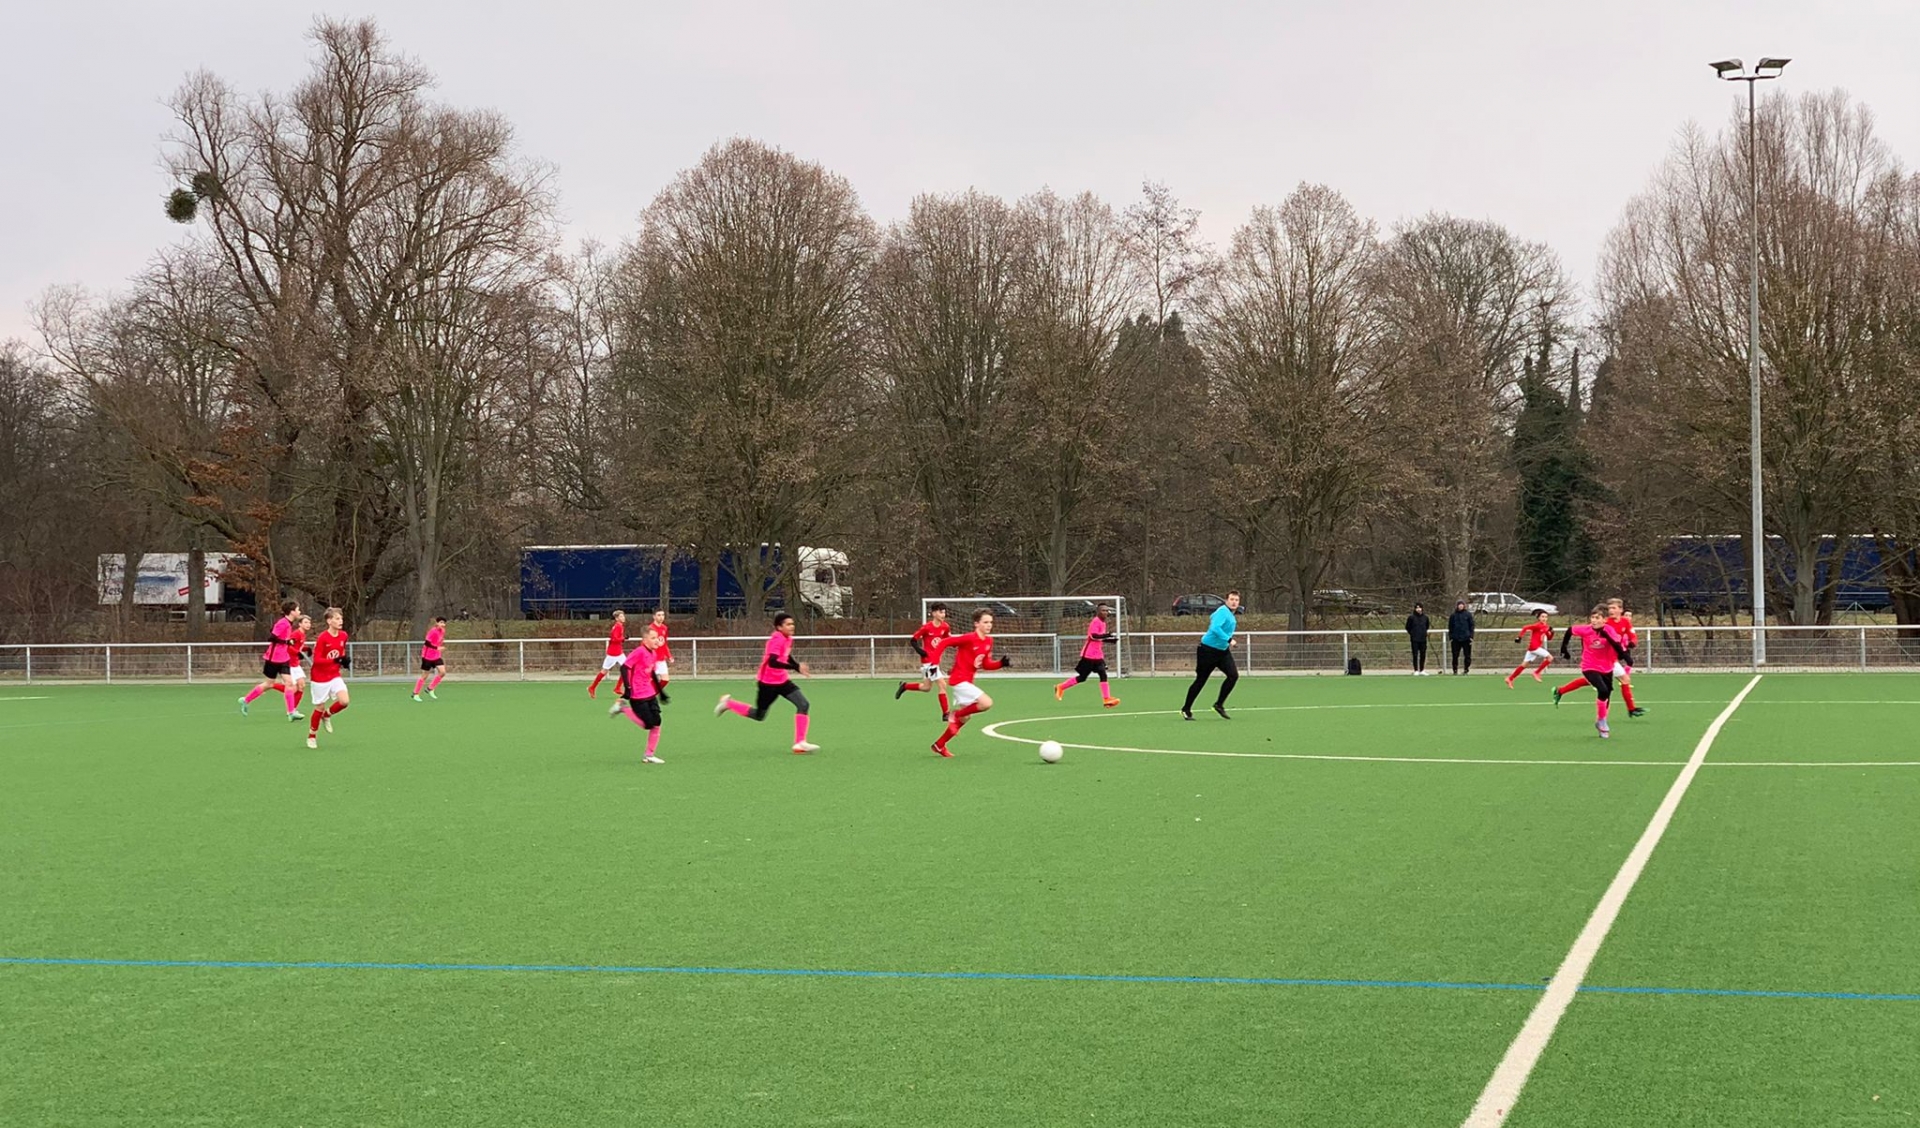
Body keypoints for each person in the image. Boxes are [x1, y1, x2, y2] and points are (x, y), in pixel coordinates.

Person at [716, 612, 818, 753]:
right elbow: (772, 662)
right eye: (788, 624)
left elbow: (786, 655)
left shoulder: (788, 639)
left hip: (782, 681)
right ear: (779, 627)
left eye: (792, 624)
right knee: (759, 715)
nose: (792, 626)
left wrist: (797, 667)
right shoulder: (776, 640)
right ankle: (728, 704)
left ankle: (800, 743)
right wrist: (794, 667)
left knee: (803, 704)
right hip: (767, 684)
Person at [925, 608, 1010, 757]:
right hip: (959, 680)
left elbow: (985, 664)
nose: (989, 625)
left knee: (965, 717)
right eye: (985, 622)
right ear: (976, 623)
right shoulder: (969, 638)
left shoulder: (988, 641)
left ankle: (939, 745)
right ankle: (954, 714)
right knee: (986, 703)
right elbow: (944, 642)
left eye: (990, 622)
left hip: (967, 682)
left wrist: (1000, 664)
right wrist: (934, 663)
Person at [1554, 606, 1630, 738]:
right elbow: (1570, 630)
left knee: (1607, 694)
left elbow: (1617, 645)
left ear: (1604, 620)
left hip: (1607, 667)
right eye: (1592, 617)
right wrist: (1564, 648)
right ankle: (1602, 722)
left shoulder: (1609, 630)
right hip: (1589, 666)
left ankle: (1600, 721)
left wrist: (1625, 656)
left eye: (1597, 618)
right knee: (1603, 690)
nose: (1594, 620)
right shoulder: (1586, 629)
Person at [1181, 590, 1242, 720]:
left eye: (1236, 600)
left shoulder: (1230, 614)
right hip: (1207, 651)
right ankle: (1186, 709)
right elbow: (1215, 628)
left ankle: (1219, 705)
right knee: (1201, 681)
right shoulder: (1222, 611)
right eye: (1231, 599)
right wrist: (1229, 639)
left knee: (1233, 676)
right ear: (1226, 600)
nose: (1234, 602)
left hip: (1222, 652)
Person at [240, 599, 302, 718]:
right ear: (292, 611)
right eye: (298, 609)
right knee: (269, 684)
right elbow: (272, 637)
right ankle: (246, 700)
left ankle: (291, 712)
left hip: (284, 657)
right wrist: (286, 642)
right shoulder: (283, 623)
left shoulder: (289, 623)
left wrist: (288, 642)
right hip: (273, 658)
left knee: (289, 683)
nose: (299, 612)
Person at [614, 625, 667, 764]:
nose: (657, 640)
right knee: (648, 724)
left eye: (657, 637)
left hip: (650, 693)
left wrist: (661, 692)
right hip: (637, 695)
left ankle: (649, 754)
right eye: (653, 638)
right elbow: (624, 667)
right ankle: (623, 708)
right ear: (645, 640)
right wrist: (628, 688)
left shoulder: (653, 654)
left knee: (657, 722)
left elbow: (652, 673)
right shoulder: (639, 652)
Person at [1055, 602, 1120, 708]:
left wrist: (1109, 640)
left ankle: (1107, 699)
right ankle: (1061, 687)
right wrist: (1106, 635)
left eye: (1106, 610)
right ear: (1098, 612)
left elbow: (1099, 638)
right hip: (1089, 654)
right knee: (1082, 677)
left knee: (1103, 674)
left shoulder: (1103, 623)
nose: (1105, 612)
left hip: (1098, 654)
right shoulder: (1095, 622)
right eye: (1103, 610)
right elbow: (1093, 636)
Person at [895, 602, 953, 720]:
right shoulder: (927, 627)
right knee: (942, 685)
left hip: (936, 661)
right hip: (928, 662)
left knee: (926, 687)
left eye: (944, 612)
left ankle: (905, 686)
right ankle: (946, 714)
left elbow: (948, 639)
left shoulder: (945, 627)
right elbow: (913, 640)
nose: (943, 615)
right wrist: (921, 651)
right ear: (934, 613)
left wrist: (959, 644)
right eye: (941, 612)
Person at [305, 608, 352, 749]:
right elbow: (317, 660)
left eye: (341, 618)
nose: (340, 621)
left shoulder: (343, 635)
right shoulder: (323, 638)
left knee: (344, 701)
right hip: (319, 677)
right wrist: (335, 660)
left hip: (334, 675)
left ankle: (327, 715)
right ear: (329, 621)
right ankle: (312, 736)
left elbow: (340, 652)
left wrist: (343, 660)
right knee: (319, 707)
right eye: (337, 619)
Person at [1605, 598, 1646, 718]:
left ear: (1621, 610)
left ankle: (1631, 709)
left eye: (1613, 608)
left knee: (1624, 680)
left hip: (1613, 659)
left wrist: (1632, 642)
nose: (1611, 610)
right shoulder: (1605, 623)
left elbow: (1632, 635)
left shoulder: (1625, 622)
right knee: (1605, 688)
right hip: (1603, 659)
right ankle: (1603, 717)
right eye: (1609, 608)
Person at [1506, 610, 1556, 687]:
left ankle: (1510, 678)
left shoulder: (1546, 627)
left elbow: (1549, 638)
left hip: (1532, 648)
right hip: (1534, 647)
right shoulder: (1537, 625)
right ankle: (1536, 672)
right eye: (1542, 617)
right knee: (1550, 658)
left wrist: (1552, 633)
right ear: (1539, 618)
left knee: (1524, 665)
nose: (1544, 618)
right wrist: (1519, 637)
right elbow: (1525, 627)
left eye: (1546, 617)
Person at [587, 609, 626, 698]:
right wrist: (623, 639)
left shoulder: (619, 626)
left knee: (627, 669)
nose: (623, 617)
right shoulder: (618, 626)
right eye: (621, 616)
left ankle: (617, 688)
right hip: (613, 653)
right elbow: (614, 639)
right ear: (617, 618)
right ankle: (592, 687)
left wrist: (622, 639)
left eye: (623, 616)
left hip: (618, 652)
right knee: (604, 671)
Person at [413, 617, 447, 701]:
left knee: (442, 672)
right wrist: (437, 648)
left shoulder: (442, 631)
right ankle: (415, 694)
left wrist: (439, 646)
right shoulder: (433, 631)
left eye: (444, 623)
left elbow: (439, 641)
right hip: (427, 656)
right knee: (424, 676)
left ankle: (430, 689)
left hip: (436, 656)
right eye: (441, 622)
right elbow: (427, 643)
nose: (443, 624)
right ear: (437, 623)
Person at [285, 614, 312, 717]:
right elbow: (289, 646)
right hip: (290, 663)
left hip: (295, 663)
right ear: (300, 624)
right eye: (305, 622)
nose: (308, 624)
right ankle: (272, 685)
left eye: (309, 622)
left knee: (301, 686)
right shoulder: (296, 634)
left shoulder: (302, 634)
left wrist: (306, 649)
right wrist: (297, 653)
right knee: (294, 688)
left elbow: (298, 646)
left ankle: (292, 710)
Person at [648, 609, 673, 704]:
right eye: (659, 615)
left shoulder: (664, 628)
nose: (661, 617)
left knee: (665, 680)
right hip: (652, 658)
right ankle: (646, 696)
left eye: (662, 615)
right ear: (654, 616)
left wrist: (669, 655)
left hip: (661, 658)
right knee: (650, 680)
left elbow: (665, 643)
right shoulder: (650, 629)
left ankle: (650, 695)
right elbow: (645, 643)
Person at [1447, 600, 1476, 675]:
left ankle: (1466, 669)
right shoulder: (1453, 615)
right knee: (1455, 655)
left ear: (1464, 606)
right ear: (1457, 606)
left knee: (1467, 655)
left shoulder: (1468, 615)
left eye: (1462, 605)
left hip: (1466, 638)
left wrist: (1471, 636)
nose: (1460, 606)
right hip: (1455, 639)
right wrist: (1451, 637)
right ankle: (1455, 670)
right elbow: (1450, 627)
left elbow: (1472, 626)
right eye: (1459, 605)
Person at [1405, 602, 1431, 675]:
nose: (1418, 609)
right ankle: (1416, 670)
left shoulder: (1425, 617)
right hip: (1414, 639)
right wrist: (1412, 633)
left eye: (1420, 608)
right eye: (1417, 608)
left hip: (1423, 639)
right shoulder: (1411, 618)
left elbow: (1427, 626)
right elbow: (1407, 627)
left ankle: (1422, 670)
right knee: (1415, 654)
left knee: (1423, 654)